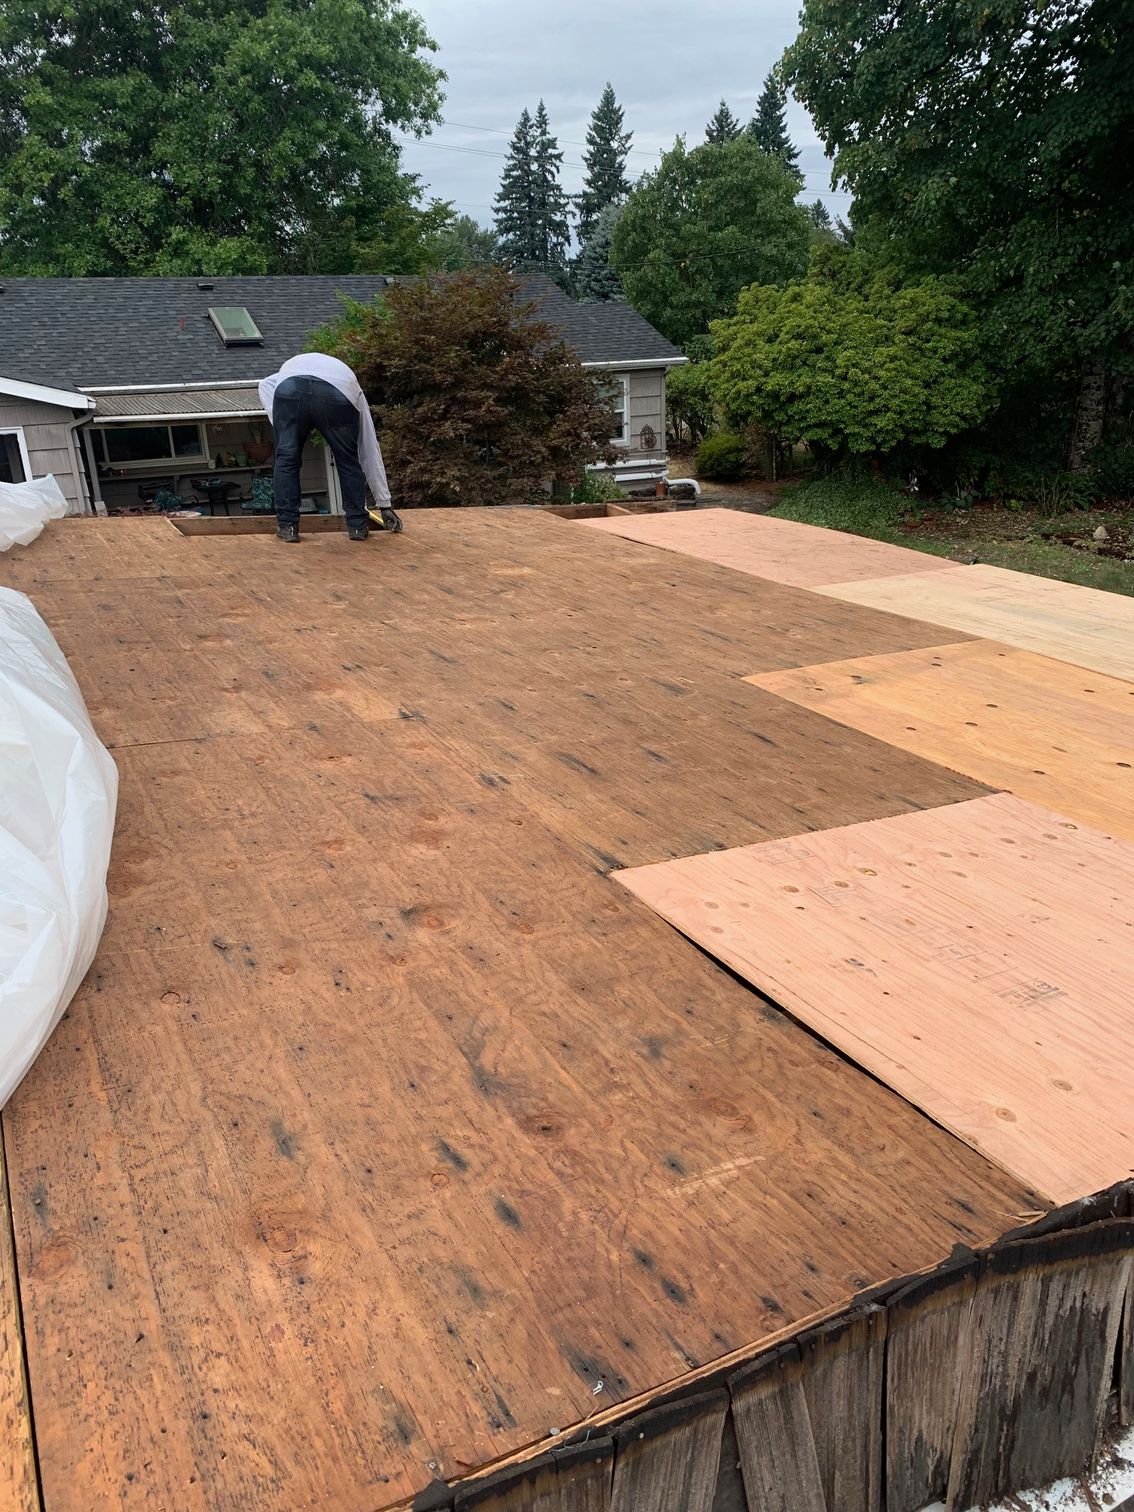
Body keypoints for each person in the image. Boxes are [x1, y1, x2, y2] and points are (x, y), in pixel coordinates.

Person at [257, 353, 402, 543]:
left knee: (287, 458)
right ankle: (357, 527)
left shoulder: (279, 378)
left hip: (289, 390)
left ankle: (287, 527)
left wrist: (284, 429)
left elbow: (264, 385)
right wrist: (384, 504)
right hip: (336, 393)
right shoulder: (352, 386)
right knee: (348, 460)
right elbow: (368, 448)